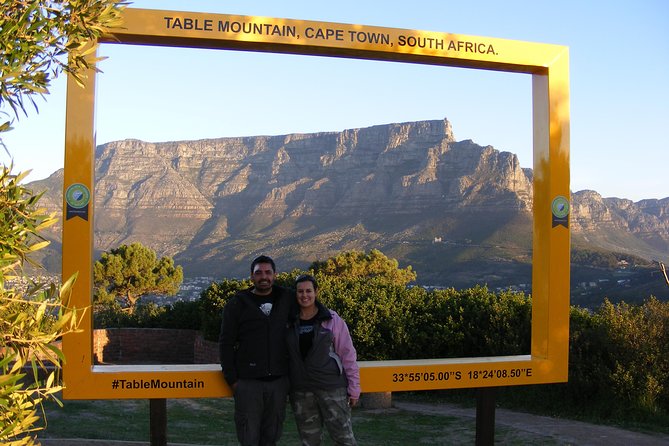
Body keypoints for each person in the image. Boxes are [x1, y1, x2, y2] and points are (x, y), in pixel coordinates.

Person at [219, 255, 293, 446]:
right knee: (248, 437)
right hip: (248, 384)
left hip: (278, 383)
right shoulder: (237, 303)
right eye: (258, 272)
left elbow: (312, 311)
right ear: (251, 276)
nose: (264, 276)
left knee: (272, 436)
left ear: (275, 275)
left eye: (268, 272)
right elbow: (225, 344)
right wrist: (233, 380)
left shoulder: (286, 299)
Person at [286, 274, 360, 446]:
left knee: (344, 439)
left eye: (308, 291)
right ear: (295, 294)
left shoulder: (332, 319)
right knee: (309, 442)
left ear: (316, 292)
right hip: (301, 390)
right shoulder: (288, 322)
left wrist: (354, 387)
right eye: (300, 291)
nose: (305, 295)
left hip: (332, 388)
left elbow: (348, 354)